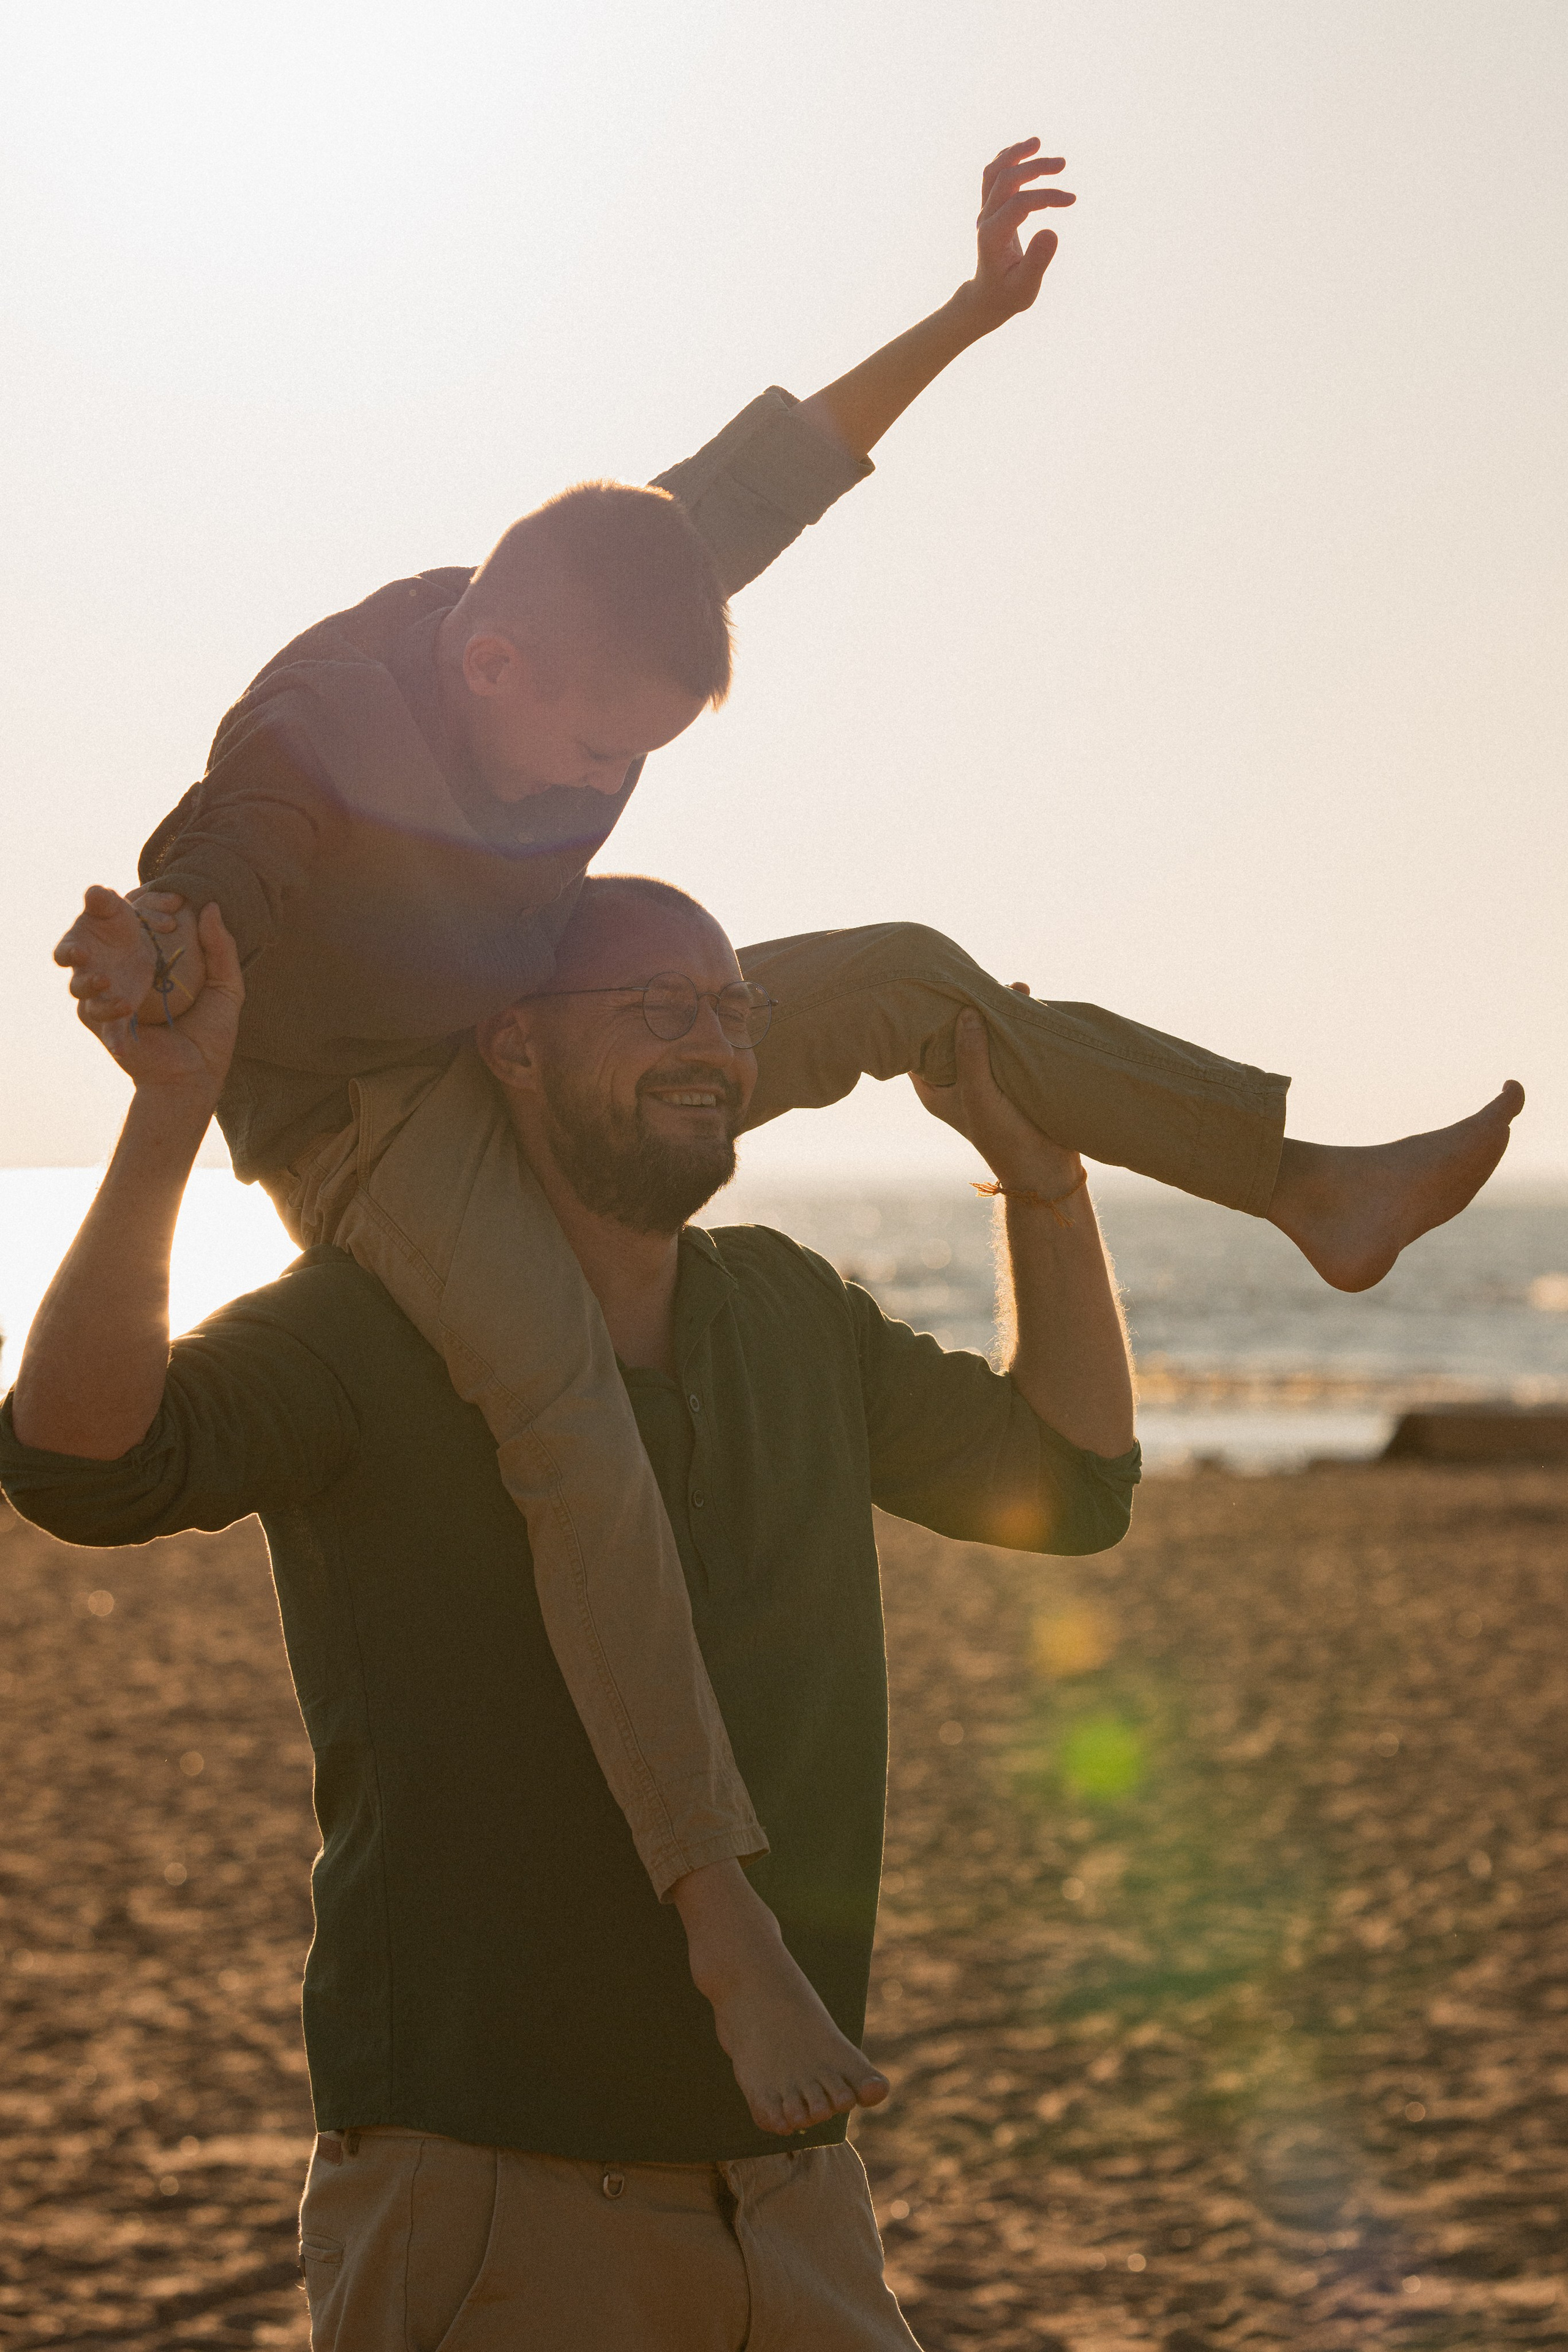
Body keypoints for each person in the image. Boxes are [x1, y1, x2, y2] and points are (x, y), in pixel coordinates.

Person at [50, 135, 1523, 2132]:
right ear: (489, 664)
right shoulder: (323, 732)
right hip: (367, 1110)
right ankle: (723, 1925)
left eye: (643, 755)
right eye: (594, 749)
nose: (610, 776)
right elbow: (202, 880)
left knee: (915, 967)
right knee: (568, 1420)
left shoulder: (598, 593)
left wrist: (977, 310)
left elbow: (775, 475)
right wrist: (142, 952)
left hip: (534, 998)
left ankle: (1301, 1184)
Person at [5, 875, 1140, 2349]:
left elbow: (1070, 1483)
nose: (707, 1044)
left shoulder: (788, 1311)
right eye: (654, 1007)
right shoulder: (365, 1322)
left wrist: (1042, 1183)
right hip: (492, 2196)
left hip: (793, 2198)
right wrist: (169, 1114)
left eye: (728, 1011)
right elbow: (82, 1466)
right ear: (513, 1046)